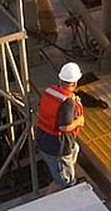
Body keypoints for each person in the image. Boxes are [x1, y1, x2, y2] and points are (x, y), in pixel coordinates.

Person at [36, 62, 85, 193]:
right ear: (74, 83)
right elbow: (64, 127)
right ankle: (51, 198)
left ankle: (66, 172)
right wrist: (79, 121)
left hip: (43, 138)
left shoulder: (50, 91)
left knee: (75, 148)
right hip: (57, 147)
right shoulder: (67, 102)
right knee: (64, 182)